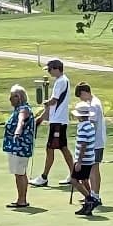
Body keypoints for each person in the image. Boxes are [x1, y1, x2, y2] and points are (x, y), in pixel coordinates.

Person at [29, 59, 74, 187]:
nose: (49, 72)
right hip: (58, 120)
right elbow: (53, 104)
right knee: (63, 148)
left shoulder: (61, 81)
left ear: (56, 69)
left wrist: (45, 102)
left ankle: (44, 177)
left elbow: (54, 101)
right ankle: (73, 174)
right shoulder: (61, 81)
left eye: (49, 70)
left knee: (51, 148)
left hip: (58, 122)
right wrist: (42, 117)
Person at [2, 85, 36, 208]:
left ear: (19, 97)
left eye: (12, 97)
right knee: (19, 173)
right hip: (16, 147)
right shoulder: (20, 109)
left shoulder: (23, 109)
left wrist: (18, 131)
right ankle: (21, 199)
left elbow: (21, 121)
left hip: (20, 147)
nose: (10, 99)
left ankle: (22, 200)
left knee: (20, 173)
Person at [75, 82, 107, 204]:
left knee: (94, 169)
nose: (81, 99)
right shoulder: (93, 103)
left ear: (85, 92)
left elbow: (91, 125)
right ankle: (91, 194)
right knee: (92, 169)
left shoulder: (94, 105)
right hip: (95, 141)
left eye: (80, 96)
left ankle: (95, 196)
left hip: (95, 142)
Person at [69, 103, 100, 216]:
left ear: (80, 116)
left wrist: (79, 162)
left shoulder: (82, 127)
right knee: (84, 180)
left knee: (74, 180)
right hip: (89, 158)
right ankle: (88, 203)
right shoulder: (90, 125)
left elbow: (83, 145)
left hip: (84, 159)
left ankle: (90, 199)